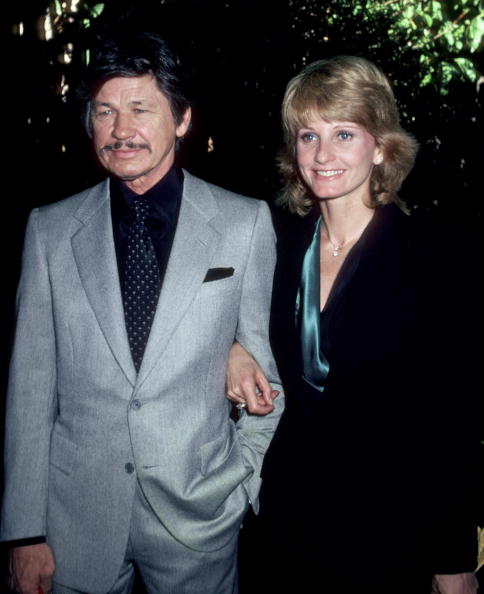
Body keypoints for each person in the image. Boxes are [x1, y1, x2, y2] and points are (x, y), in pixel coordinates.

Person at [0, 31, 283, 594]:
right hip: (72, 522)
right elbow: (30, 389)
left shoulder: (243, 223)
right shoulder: (50, 230)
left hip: (198, 520)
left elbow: (265, 373)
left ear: (181, 120)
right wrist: (24, 532)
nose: (120, 130)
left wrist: (239, 482)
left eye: (139, 109)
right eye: (104, 112)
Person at [226, 56, 479, 593]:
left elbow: (451, 420)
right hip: (286, 524)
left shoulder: (438, 256)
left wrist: (452, 560)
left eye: (344, 133)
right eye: (308, 136)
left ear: (381, 145)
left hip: (390, 532)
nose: (323, 155)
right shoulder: (275, 244)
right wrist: (232, 349)